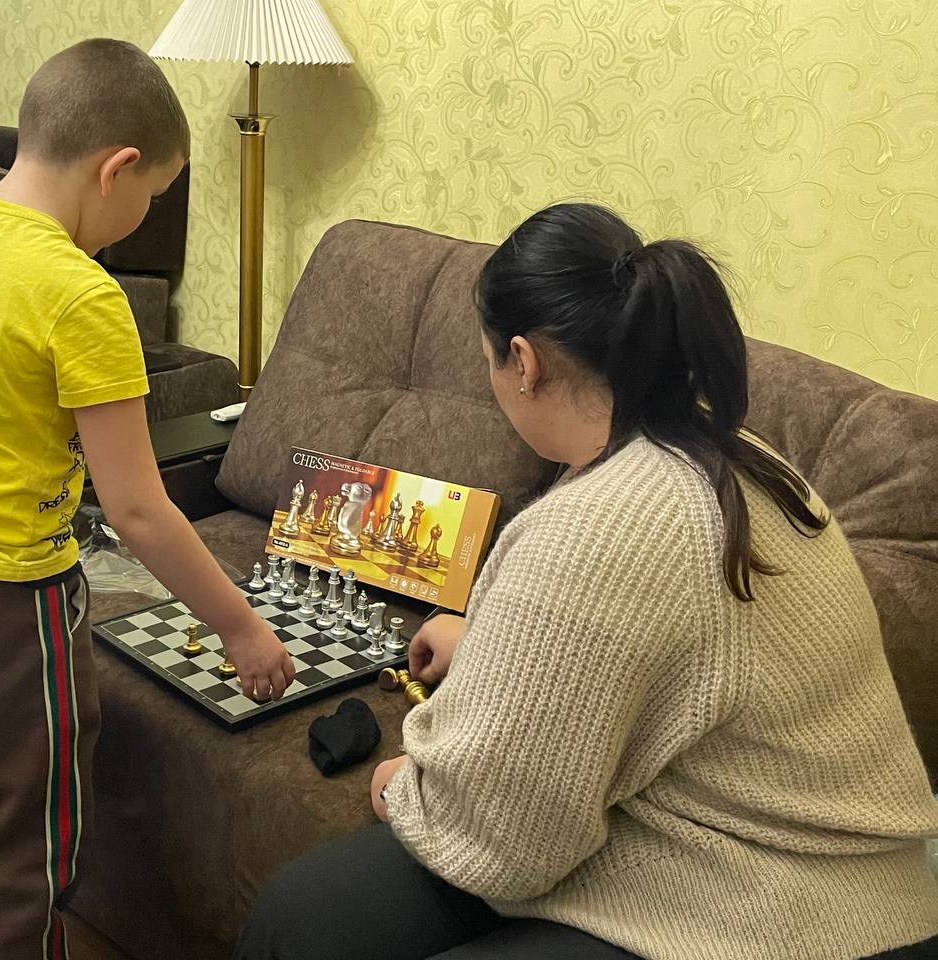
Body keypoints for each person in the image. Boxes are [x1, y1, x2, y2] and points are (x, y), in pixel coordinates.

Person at [236, 203, 938, 960]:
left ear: (523, 362)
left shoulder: (594, 529)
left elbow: (498, 842)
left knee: (314, 914)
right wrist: (490, 640)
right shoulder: (743, 458)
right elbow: (671, 655)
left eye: (486, 361)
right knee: (305, 916)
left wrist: (400, 788)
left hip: (789, 912)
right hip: (755, 849)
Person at [0, 39, 294, 960]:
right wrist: (243, 630)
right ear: (115, 169)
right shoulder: (82, 293)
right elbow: (137, 509)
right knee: (11, 847)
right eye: (151, 196)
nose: (139, 217)